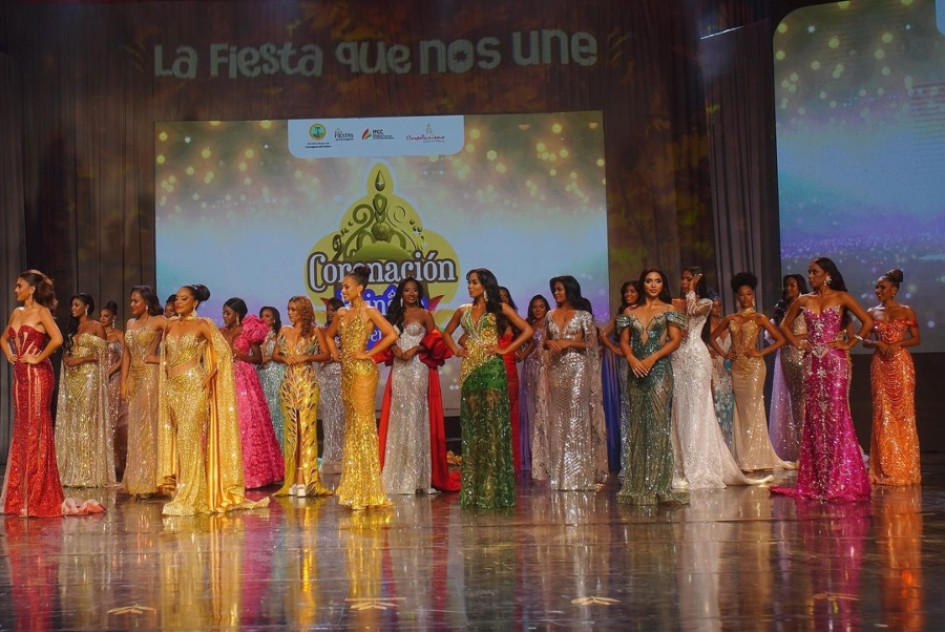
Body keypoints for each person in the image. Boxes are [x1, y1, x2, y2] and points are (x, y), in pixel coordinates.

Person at [157, 284, 266, 515]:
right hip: (173, 389)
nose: (178, 302)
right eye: (177, 298)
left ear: (195, 302)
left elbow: (224, 353)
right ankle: (186, 492)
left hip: (194, 387)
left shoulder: (203, 324)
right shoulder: (170, 325)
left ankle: (191, 497)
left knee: (190, 440)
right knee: (181, 441)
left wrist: (208, 377)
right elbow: (166, 358)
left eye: (184, 299)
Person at [771, 257, 873, 501]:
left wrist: (850, 342)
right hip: (811, 365)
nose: (810, 276)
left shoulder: (841, 297)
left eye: (814, 272)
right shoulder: (803, 300)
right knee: (815, 418)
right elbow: (785, 325)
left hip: (835, 363)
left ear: (827, 274)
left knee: (837, 417)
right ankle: (818, 481)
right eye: (809, 272)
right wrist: (798, 342)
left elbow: (868, 321)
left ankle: (840, 479)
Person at [443, 268, 533, 509]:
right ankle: (476, 490)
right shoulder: (462, 310)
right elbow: (446, 333)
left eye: (474, 282)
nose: (470, 286)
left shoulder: (499, 309)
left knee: (493, 427)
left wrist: (505, 350)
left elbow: (528, 331)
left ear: (485, 284)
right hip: (470, 371)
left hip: (493, 370)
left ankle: (494, 488)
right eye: (468, 282)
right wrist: (456, 349)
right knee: (473, 429)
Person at [671, 269, 769, 489]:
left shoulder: (704, 302)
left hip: (697, 358)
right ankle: (681, 464)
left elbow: (692, 310)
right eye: (684, 278)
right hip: (678, 359)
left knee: (699, 409)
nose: (686, 282)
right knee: (680, 410)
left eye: (690, 279)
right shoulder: (673, 302)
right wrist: (671, 333)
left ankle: (700, 463)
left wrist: (693, 292)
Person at [324, 266, 399, 509]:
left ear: (360, 289)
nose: (343, 290)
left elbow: (391, 335)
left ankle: (368, 488)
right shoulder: (341, 314)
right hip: (347, 371)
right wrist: (336, 353)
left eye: (347, 287)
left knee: (364, 424)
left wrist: (369, 353)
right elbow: (328, 336)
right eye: (342, 287)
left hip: (364, 372)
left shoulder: (370, 311)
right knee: (352, 425)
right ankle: (354, 485)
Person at [377, 277, 459, 494]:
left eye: (415, 290)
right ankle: (395, 473)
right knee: (399, 415)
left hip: (417, 368)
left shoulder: (425, 314)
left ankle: (415, 477)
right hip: (400, 368)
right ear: (401, 294)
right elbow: (388, 337)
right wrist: (394, 346)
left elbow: (435, 340)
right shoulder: (394, 315)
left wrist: (417, 349)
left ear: (419, 293)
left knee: (415, 416)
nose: (411, 293)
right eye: (407, 290)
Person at [616, 268, 687, 505]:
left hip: (659, 371)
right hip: (635, 371)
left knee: (658, 425)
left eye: (658, 281)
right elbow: (624, 341)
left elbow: (675, 341)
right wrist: (633, 360)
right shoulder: (630, 311)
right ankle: (638, 484)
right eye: (648, 281)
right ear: (642, 283)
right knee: (637, 425)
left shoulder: (669, 310)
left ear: (663, 284)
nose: (653, 285)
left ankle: (659, 485)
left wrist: (651, 358)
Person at [0, 270, 67, 516]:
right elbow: (4, 338)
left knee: (37, 430)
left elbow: (57, 339)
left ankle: (38, 495)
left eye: (19, 286)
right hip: (20, 379)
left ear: (31, 289)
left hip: (39, 377)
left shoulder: (42, 312)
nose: (16, 290)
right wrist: (9, 354)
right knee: (22, 430)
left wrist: (37, 356)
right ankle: (20, 497)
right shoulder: (17, 313)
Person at [710, 272, 791, 472]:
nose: (745, 297)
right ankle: (745, 458)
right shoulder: (730, 318)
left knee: (754, 410)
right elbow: (711, 337)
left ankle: (758, 458)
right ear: (737, 296)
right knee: (741, 412)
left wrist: (760, 351)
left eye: (748, 294)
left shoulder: (759, 318)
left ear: (753, 295)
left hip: (755, 368)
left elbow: (781, 339)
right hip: (736, 369)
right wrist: (724, 354)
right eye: (741, 294)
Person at [533, 275, 607, 490]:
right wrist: (550, 343)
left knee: (576, 416)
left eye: (559, 289)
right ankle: (560, 474)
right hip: (556, 369)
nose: (556, 293)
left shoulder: (583, 315)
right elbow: (544, 340)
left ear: (570, 290)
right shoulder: (549, 314)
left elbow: (591, 343)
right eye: (554, 290)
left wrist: (568, 343)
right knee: (559, 419)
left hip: (578, 368)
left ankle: (578, 475)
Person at [864, 269, 921, 485]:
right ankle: (885, 467)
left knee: (903, 413)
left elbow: (916, 339)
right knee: (883, 414)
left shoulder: (907, 311)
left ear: (894, 290)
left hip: (901, 364)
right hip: (880, 364)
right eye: (877, 287)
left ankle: (905, 467)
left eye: (882, 287)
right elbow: (863, 339)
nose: (878, 290)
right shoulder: (871, 312)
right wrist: (878, 343)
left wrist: (898, 343)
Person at [272, 296, 333, 498]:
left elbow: (326, 355)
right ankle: (292, 479)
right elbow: (275, 355)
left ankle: (307, 480)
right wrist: (284, 358)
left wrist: (307, 357)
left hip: (307, 383)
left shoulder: (314, 332)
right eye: (288, 309)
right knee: (291, 432)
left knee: (306, 430)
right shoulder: (284, 331)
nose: (289, 312)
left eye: (294, 309)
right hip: (288, 384)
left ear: (303, 311)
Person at [220, 298, 284, 489]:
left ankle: (251, 474)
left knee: (247, 423)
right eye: (224, 312)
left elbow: (257, 358)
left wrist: (241, 357)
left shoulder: (248, 331)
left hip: (244, 379)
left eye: (228, 313)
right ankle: (226, 472)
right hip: (225, 379)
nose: (224, 316)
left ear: (238, 315)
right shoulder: (220, 332)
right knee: (227, 422)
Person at [55, 293, 116, 488]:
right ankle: (72, 471)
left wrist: (80, 360)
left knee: (87, 420)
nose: (72, 308)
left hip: (90, 376)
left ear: (87, 306)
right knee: (73, 421)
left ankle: (88, 472)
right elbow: (67, 351)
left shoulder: (97, 327)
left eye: (76, 305)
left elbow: (104, 357)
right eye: (72, 305)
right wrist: (68, 360)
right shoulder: (72, 328)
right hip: (72, 378)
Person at [120, 285, 166, 497]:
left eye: (135, 301)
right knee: (136, 427)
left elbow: (178, 343)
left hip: (150, 376)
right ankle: (138, 479)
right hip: (134, 378)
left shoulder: (159, 321)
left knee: (149, 427)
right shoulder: (130, 323)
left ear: (146, 303)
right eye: (131, 301)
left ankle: (153, 482)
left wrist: (160, 359)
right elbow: (127, 355)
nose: (132, 305)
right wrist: (123, 381)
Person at [598, 281, 640, 477]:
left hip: (645, 360)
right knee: (628, 409)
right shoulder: (622, 315)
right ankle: (628, 463)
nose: (628, 294)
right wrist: (615, 349)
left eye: (632, 291)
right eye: (626, 291)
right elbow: (603, 334)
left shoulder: (644, 311)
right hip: (626, 365)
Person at [767, 274, 809, 461]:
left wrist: (801, 339)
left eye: (793, 285)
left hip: (806, 353)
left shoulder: (808, 304)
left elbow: (815, 329)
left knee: (809, 398)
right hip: (787, 355)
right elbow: (774, 333)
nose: (789, 288)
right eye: (787, 285)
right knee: (795, 400)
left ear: (800, 286)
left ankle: (811, 444)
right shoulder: (780, 307)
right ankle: (799, 447)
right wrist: (786, 340)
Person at [518, 294, 550, 476]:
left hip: (544, 367)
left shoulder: (550, 322)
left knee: (543, 409)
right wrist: (522, 355)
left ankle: (546, 455)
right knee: (531, 410)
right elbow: (528, 345)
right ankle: (533, 454)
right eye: (534, 307)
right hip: (530, 367)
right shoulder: (529, 324)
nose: (538, 310)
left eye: (541, 306)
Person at [318, 297, 345, 475]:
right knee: (329, 418)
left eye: (334, 310)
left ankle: (343, 458)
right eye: (328, 309)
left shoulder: (346, 331)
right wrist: (329, 356)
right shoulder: (322, 331)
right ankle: (329, 458)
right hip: (326, 376)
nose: (330, 313)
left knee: (341, 417)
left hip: (342, 374)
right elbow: (318, 354)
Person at [498, 286, 523, 473]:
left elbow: (530, 334)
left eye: (506, 296)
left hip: (511, 370)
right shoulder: (489, 319)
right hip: (495, 368)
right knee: (496, 416)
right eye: (499, 297)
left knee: (508, 415)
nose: (503, 299)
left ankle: (510, 461)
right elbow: (464, 339)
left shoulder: (513, 319)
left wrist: (519, 351)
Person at [707, 291, 734, 450]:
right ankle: (719, 448)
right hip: (713, 369)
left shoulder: (728, 323)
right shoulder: (704, 327)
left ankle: (731, 447)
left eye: (719, 306)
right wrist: (706, 351)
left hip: (729, 369)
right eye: (713, 306)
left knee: (730, 406)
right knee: (717, 405)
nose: (716, 309)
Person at [257, 306, 286, 453]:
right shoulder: (257, 337)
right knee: (263, 412)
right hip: (260, 376)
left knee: (276, 411)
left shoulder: (280, 335)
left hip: (275, 375)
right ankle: (266, 452)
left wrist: (269, 357)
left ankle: (279, 451)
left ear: (274, 319)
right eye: (262, 315)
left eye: (267, 316)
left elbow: (284, 355)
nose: (263, 318)